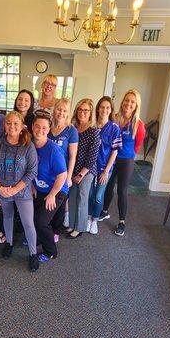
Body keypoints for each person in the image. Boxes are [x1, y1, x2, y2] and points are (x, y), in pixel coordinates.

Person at [0, 111, 39, 272]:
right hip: (2, 191)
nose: (12, 126)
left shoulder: (28, 145)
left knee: (28, 223)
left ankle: (33, 254)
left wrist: (15, 189)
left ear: (22, 126)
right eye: (9, 123)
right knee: (7, 217)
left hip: (22, 192)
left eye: (16, 123)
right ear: (4, 125)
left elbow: (32, 172)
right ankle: (9, 243)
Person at [101, 89, 145, 236]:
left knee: (122, 191)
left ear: (136, 105)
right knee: (108, 185)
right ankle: (105, 211)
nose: (129, 104)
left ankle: (121, 221)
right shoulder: (114, 118)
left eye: (132, 102)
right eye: (127, 100)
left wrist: (127, 155)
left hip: (126, 161)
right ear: (122, 101)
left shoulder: (139, 125)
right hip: (111, 159)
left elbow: (137, 146)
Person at [32, 112, 68, 262]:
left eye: (44, 128)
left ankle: (51, 251)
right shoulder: (30, 146)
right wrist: (32, 186)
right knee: (33, 218)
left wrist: (52, 194)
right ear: (33, 127)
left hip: (57, 190)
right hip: (39, 189)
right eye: (37, 126)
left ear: (49, 129)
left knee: (41, 221)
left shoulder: (53, 149)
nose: (40, 130)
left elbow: (62, 175)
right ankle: (39, 239)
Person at [88, 96, 122, 235]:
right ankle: (89, 218)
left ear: (111, 110)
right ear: (98, 109)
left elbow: (114, 152)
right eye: (102, 107)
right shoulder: (93, 126)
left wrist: (106, 171)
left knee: (98, 196)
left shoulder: (114, 128)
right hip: (90, 167)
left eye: (107, 107)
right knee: (90, 194)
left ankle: (95, 220)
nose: (104, 110)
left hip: (104, 168)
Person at [67, 99, 100, 238]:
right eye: (80, 109)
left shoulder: (94, 131)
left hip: (87, 170)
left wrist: (81, 174)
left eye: (85, 110)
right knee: (73, 197)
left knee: (82, 197)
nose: (82, 112)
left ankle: (80, 228)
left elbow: (92, 157)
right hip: (73, 168)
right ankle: (72, 224)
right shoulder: (72, 128)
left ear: (90, 113)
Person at [48, 98, 78, 235]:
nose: (61, 113)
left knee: (59, 206)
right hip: (47, 174)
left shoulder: (71, 131)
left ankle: (55, 232)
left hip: (62, 174)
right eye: (59, 109)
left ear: (68, 114)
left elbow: (72, 156)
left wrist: (69, 177)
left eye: (65, 111)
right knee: (47, 202)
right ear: (54, 111)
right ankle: (44, 230)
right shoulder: (48, 127)